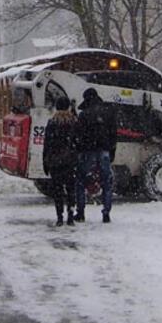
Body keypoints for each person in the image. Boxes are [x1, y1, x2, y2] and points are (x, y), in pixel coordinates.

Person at [75, 88, 117, 223]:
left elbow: (79, 135)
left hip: (87, 152)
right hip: (104, 151)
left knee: (81, 181)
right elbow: (113, 134)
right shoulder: (108, 113)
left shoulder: (83, 115)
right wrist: (111, 151)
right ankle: (106, 213)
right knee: (106, 183)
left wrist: (79, 150)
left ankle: (80, 212)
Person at [43, 97, 79, 226]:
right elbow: (77, 142)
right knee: (71, 190)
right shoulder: (74, 122)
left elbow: (47, 144)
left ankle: (59, 217)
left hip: (55, 162)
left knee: (57, 191)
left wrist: (45, 162)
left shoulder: (52, 122)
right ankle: (70, 215)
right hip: (70, 161)